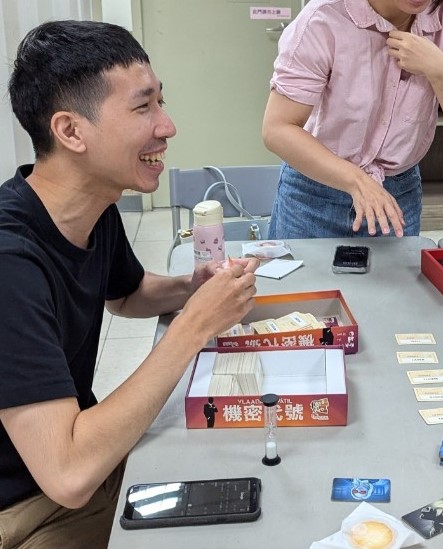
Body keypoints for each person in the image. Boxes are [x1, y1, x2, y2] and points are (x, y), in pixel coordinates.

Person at [0, 20, 259, 547]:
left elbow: (127, 294)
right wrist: (194, 325)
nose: (168, 126)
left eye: (161, 101)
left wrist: (193, 287)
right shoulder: (9, 262)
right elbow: (68, 474)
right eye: (143, 107)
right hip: (27, 505)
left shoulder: (94, 204)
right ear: (71, 131)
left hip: (82, 465)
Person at [262, 0, 443, 238]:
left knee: (397, 265)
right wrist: (357, 181)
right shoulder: (324, 17)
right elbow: (277, 129)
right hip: (314, 191)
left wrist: (442, 71)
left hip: (397, 193)